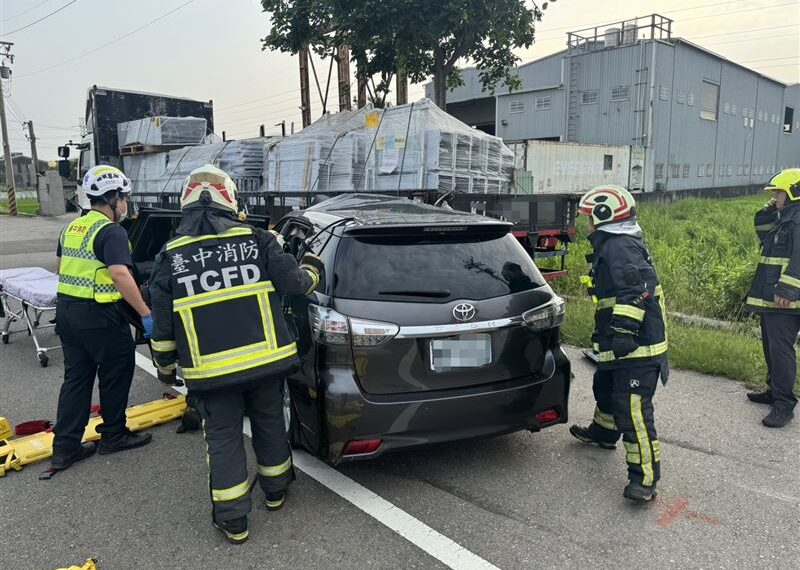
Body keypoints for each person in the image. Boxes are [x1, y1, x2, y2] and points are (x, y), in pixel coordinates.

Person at [148, 165, 322, 544]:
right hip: (266, 362)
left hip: (213, 374)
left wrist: (164, 369)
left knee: (224, 437)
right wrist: (313, 265)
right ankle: (276, 492)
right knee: (270, 421)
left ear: (186, 204)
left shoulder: (170, 257)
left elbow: (162, 327)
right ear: (231, 202)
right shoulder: (258, 240)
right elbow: (297, 284)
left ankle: (234, 520)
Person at [49, 166, 153, 475]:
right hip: (100, 315)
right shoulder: (111, 231)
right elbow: (120, 273)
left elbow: (60, 266)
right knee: (116, 371)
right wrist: (146, 314)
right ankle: (113, 435)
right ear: (113, 198)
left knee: (77, 379)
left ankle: (64, 449)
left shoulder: (73, 228)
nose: (125, 205)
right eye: (124, 199)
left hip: (67, 313)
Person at [568, 185, 669, 502]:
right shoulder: (613, 245)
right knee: (606, 387)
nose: (587, 224)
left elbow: (637, 288)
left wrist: (624, 330)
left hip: (637, 347)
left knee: (633, 411)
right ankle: (603, 432)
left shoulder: (620, 246)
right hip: (619, 344)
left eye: (589, 217)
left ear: (603, 216)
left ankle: (645, 479)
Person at [745, 168, 800, 428]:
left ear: (792, 192)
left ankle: (784, 404)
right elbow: (764, 233)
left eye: (778, 192)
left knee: (780, 351)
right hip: (772, 296)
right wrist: (767, 211)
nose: (775, 196)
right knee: (770, 346)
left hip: (786, 300)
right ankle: (773, 390)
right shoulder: (785, 217)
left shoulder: (798, 219)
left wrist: (788, 290)